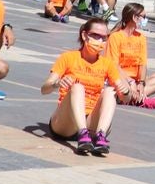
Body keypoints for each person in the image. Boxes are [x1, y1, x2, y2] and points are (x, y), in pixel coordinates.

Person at [41, 15, 129, 155]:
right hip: (65, 123)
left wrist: (125, 92)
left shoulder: (107, 64)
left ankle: (100, 134)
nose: (99, 41)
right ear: (84, 35)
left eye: (103, 37)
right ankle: (82, 134)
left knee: (111, 91)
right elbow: (44, 89)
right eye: (95, 35)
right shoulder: (68, 57)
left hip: (91, 121)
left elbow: (125, 98)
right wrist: (57, 83)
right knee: (77, 87)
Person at [106, 1, 155, 107]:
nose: (145, 20)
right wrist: (130, 82)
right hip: (120, 78)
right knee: (121, 85)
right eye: (143, 17)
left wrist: (141, 83)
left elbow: (143, 64)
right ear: (135, 18)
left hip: (135, 81)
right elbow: (114, 65)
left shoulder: (141, 38)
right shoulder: (115, 37)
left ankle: (131, 98)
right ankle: (140, 100)